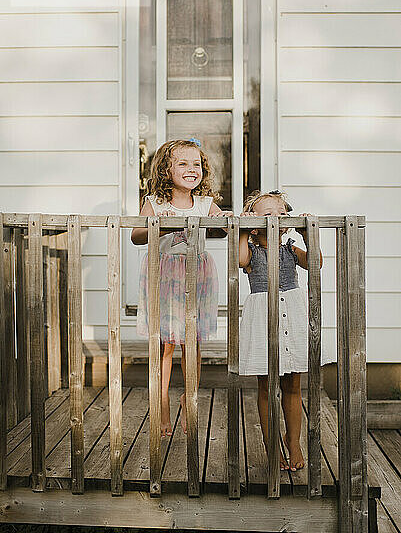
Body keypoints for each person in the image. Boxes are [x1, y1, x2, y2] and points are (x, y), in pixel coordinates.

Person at [131, 138, 230, 437]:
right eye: (183, 163)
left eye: (196, 164)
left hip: (196, 277)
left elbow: (223, 226)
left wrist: (224, 218)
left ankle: (190, 403)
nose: (192, 169)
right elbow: (136, 234)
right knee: (164, 346)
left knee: (192, 343)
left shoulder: (204, 202)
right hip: (164, 277)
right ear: (166, 169)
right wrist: (160, 225)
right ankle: (161, 407)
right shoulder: (155, 202)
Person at [239, 190, 333, 471]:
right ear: (254, 224)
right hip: (264, 319)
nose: (276, 219)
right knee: (267, 387)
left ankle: (293, 443)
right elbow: (240, 261)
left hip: (291, 315)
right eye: (267, 215)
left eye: (281, 214)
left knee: (293, 385)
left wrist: (308, 233)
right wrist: (242, 231)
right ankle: (272, 447)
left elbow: (315, 263)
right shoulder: (253, 252)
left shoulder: (291, 249)